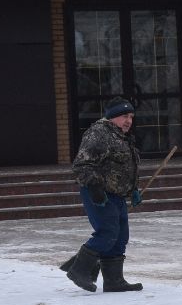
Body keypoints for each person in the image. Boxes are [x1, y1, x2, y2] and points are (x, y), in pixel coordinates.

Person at [62, 98, 144, 293]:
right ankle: (79, 271)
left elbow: (125, 167)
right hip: (99, 193)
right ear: (113, 116)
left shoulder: (122, 137)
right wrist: (95, 189)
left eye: (131, 116)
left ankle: (114, 281)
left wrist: (133, 189)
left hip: (117, 194)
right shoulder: (99, 133)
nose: (129, 121)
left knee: (121, 236)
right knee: (107, 233)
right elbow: (82, 165)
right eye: (125, 116)